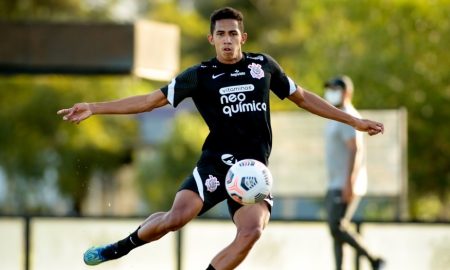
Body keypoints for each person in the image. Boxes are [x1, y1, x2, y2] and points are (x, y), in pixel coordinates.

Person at [57, 7, 384, 270]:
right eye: (220, 34)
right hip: (215, 164)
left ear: (243, 36)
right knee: (176, 218)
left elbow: (304, 98)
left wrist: (354, 121)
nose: (227, 40)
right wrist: (95, 107)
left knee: (252, 231)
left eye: (232, 33)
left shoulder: (262, 66)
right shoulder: (198, 75)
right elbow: (148, 100)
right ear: (211, 38)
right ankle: (119, 248)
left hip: (254, 170)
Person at [323, 75, 385, 270]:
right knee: (336, 230)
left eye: (335, 89)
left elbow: (355, 149)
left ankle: (374, 259)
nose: (331, 92)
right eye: (330, 88)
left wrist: (349, 181)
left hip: (344, 183)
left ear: (347, 92)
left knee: (337, 226)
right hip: (334, 182)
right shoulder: (336, 115)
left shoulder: (349, 115)